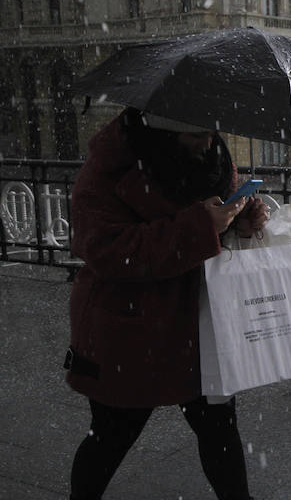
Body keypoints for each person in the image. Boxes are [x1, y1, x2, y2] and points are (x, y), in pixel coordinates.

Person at [65, 108, 267, 500]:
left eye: (211, 132)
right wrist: (201, 227)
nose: (207, 144)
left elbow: (216, 223)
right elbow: (107, 250)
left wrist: (240, 221)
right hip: (131, 329)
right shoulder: (109, 168)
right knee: (110, 437)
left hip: (200, 326)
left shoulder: (214, 161)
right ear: (163, 132)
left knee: (220, 432)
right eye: (195, 137)